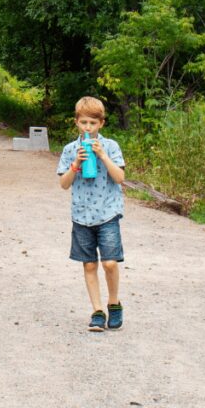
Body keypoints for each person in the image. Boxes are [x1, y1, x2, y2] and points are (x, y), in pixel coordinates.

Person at [57, 96, 126, 332]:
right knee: (88, 265)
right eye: (84, 122)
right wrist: (76, 162)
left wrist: (102, 156)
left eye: (93, 123)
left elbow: (120, 178)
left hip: (108, 213)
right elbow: (64, 184)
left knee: (109, 263)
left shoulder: (111, 146)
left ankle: (114, 303)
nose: (88, 128)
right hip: (81, 215)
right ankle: (97, 311)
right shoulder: (69, 150)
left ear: (101, 124)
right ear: (76, 122)